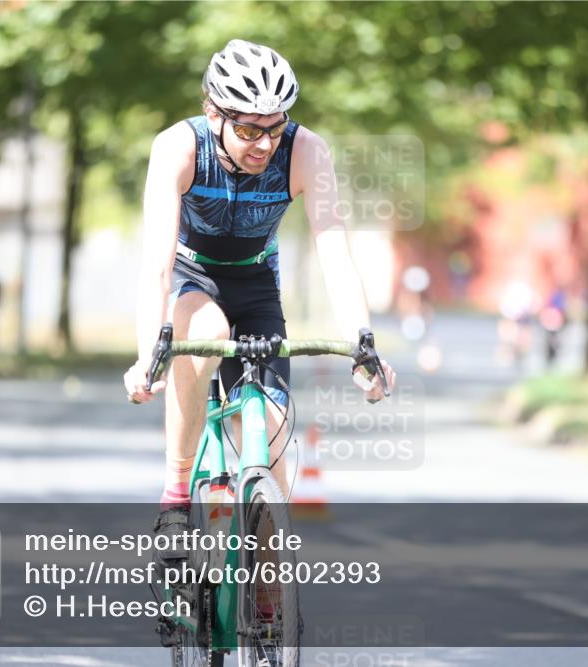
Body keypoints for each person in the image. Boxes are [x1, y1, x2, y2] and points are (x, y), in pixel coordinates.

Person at [122, 40, 396, 563]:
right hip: (189, 275)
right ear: (213, 112)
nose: (265, 145)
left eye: (274, 127)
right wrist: (146, 355)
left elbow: (333, 245)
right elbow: (155, 262)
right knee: (207, 336)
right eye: (248, 129)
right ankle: (177, 496)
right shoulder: (179, 148)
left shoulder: (306, 150)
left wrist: (365, 344)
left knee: (273, 448)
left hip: (255, 284)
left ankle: (267, 602)